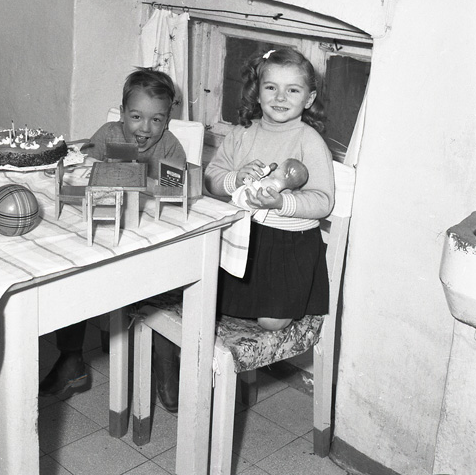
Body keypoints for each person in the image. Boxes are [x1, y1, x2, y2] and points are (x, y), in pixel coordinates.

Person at [154, 46, 335, 412]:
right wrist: (235, 177)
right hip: (241, 241)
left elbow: (323, 201)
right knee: (192, 296)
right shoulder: (241, 134)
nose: (280, 97)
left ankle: (253, 316)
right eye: (271, 88)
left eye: (292, 90)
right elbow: (211, 178)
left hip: (289, 248)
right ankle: (190, 365)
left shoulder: (309, 141)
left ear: (309, 98)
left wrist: (282, 203)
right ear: (258, 91)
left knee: (270, 322)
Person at [39, 66, 186, 399]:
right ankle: (71, 359)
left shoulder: (170, 147)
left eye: (156, 119)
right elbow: (82, 165)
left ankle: (165, 361)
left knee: (166, 282)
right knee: (70, 270)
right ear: (122, 113)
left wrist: (143, 181)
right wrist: (90, 168)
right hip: (105, 231)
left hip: (148, 245)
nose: (145, 128)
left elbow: (177, 191)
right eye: (136, 117)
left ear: (167, 120)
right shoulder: (108, 134)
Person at [230, 157, 309, 216]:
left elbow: (258, 196)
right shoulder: (272, 180)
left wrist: (249, 185)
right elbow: (262, 174)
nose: (276, 169)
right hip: (244, 194)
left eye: (279, 168)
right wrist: (269, 168)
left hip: (246, 203)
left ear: (285, 175)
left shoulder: (272, 189)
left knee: (231, 212)